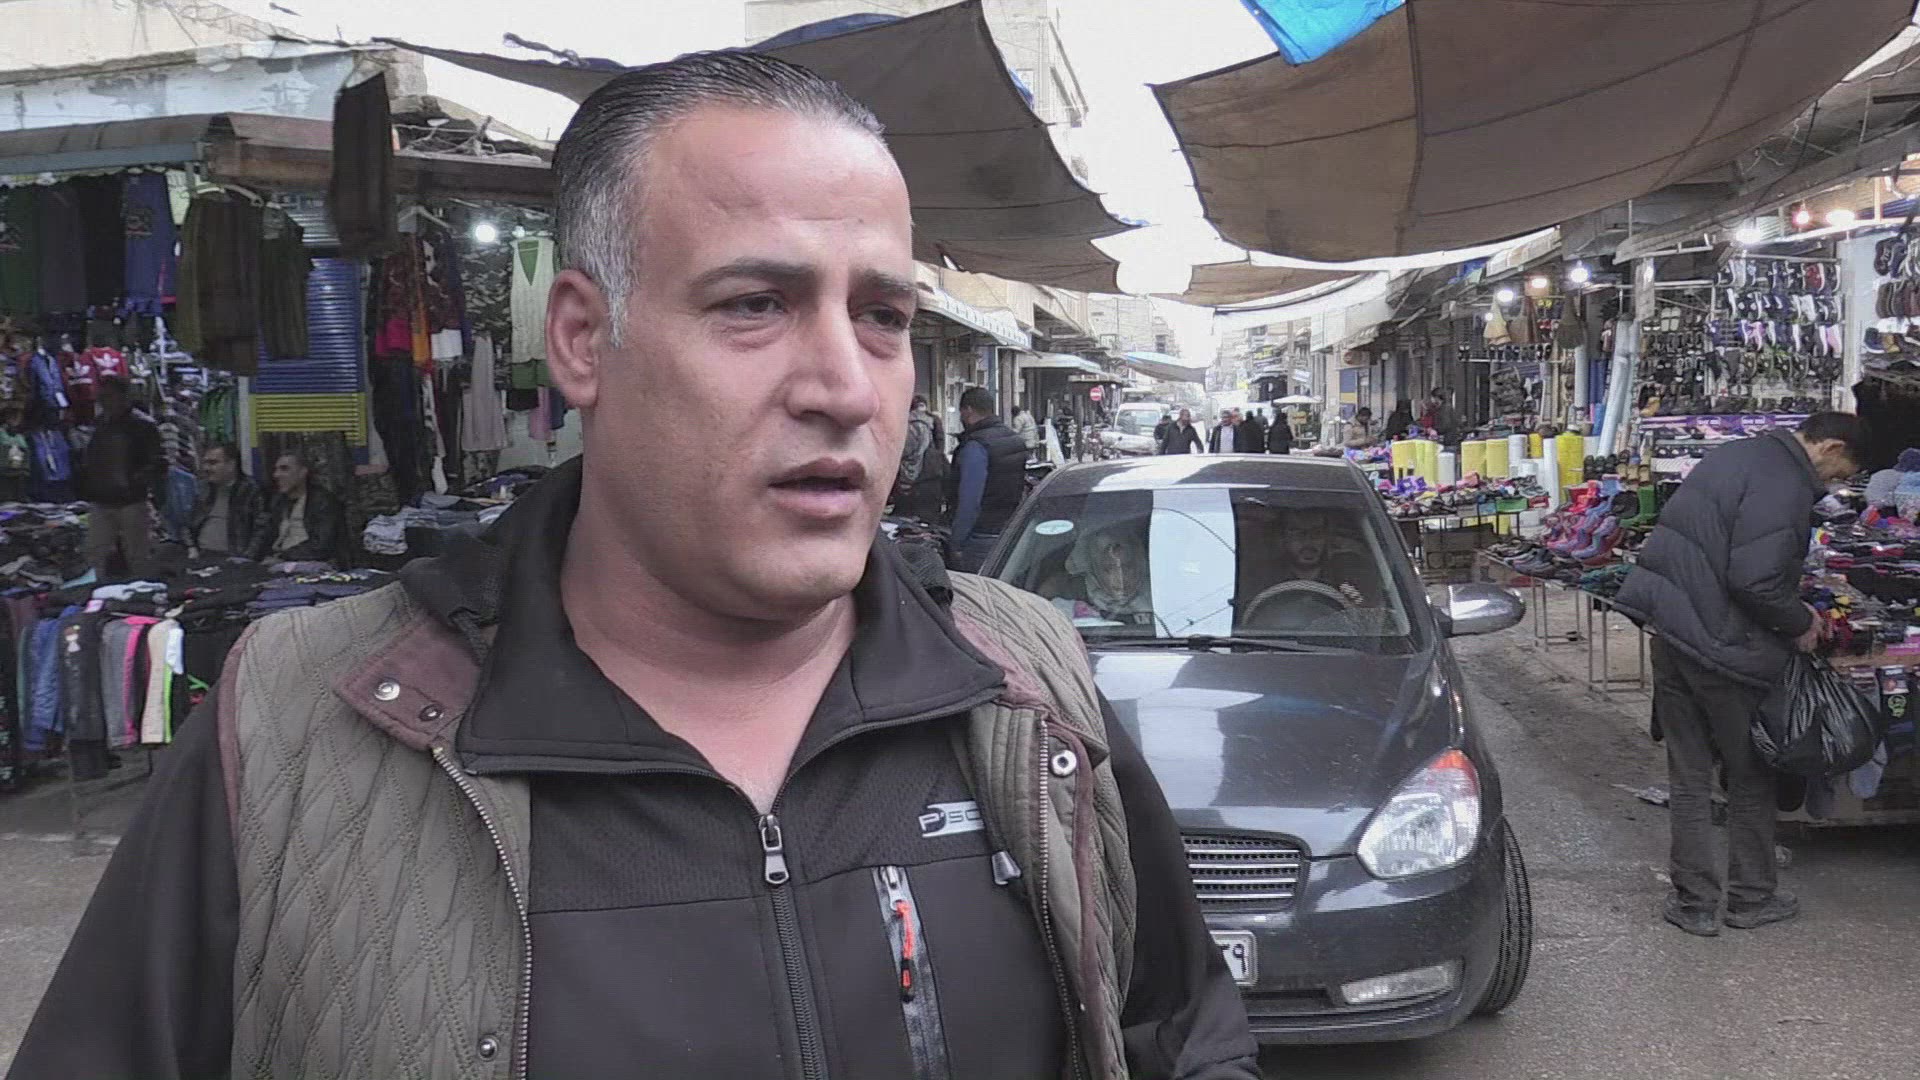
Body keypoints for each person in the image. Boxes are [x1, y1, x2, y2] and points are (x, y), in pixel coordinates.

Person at [9, 51, 1258, 1080]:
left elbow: (1185, 1035)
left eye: (881, 316)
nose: (845, 387)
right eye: (754, 304)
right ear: (581, 339)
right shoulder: (296, 726)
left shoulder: (1030, 686)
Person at [1613, 412, 1868, 938]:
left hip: (1675, 632)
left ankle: (1694, 904)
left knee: (1688, 774)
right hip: (1725, 648)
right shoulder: (1784, 484)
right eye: (1841, 473)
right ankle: (1751, 898)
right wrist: (1801, 622)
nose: (1834, 483)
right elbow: (1755, 580)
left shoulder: (1734, 455)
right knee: (1750, 774)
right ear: (1830, 447)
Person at [77, 375, 163, 581]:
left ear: (124, 397)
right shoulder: (100, 424)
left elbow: (158, 462)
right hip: (102, 498)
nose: (104, 402)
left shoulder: (142, 425)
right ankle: (100, 589)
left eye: (109, 397)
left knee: (137, 554)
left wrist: (137, 482)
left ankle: (141, 589)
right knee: (96, 552)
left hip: (131, 500)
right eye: (102, 397)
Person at [947, 386, 1028, 573]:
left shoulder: (976, 446)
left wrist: (956, 542)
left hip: (981, 536)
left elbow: (969, 501)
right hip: (1010, 532)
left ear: (968, 410)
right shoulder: (1014, 439)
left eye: (961, 412)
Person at [188, 441, 271, 559]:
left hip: (234, 558)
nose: (206, 468)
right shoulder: (203, 489)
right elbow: (189, 524)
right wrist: (191, 547)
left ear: (231, 465)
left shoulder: (252, 491)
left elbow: (261, 532)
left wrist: (245, 559)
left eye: (213, 463)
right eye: (205, 463)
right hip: (200, 555)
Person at [263, 450, 347, 565]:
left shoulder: (323, 501)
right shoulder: (277, 502)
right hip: (278, 561)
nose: (276, 475)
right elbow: (265, 535)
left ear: (302, 472)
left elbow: (322, 545)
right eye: (276, 470)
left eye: (284, 469)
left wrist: (283, 556)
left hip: (313, 564)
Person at [893, 394, 946, 520]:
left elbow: (904, 452)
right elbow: (940, 445)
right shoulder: (933, 422)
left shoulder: (909, 425)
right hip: (930, 479)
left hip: (912, 484)